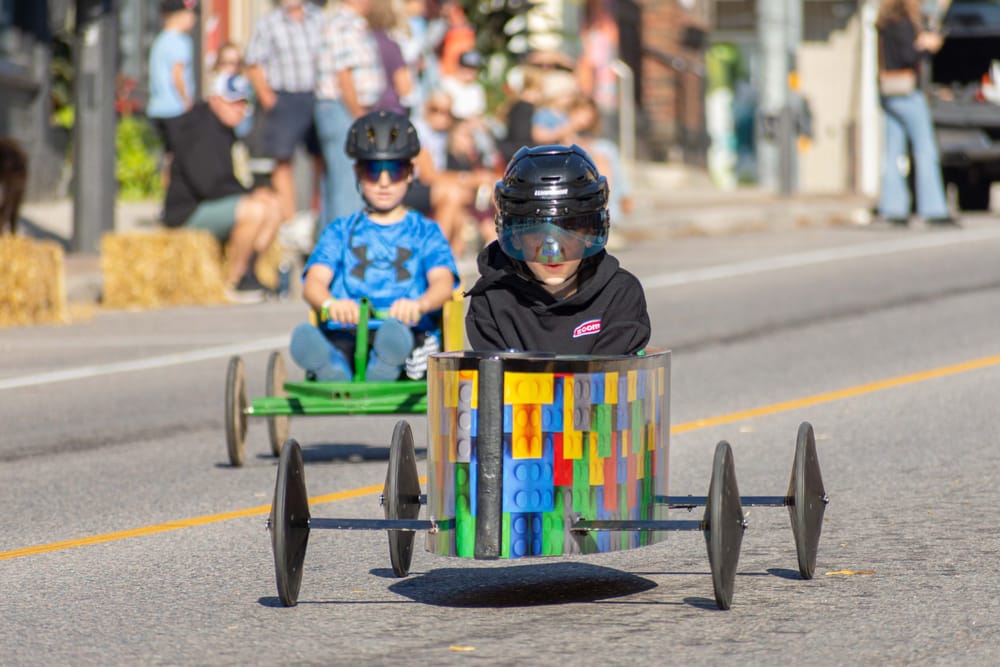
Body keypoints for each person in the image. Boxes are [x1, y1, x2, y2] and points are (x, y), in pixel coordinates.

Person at [289, 111, 459, 383]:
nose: (383, 182)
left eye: (394, 171)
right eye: (372, 171)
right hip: (350, 329)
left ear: (410, 174)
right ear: (357, 172)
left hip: (407, 328)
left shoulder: (426, 231)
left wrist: (419, 304)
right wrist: (331, 304)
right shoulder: (340, 230)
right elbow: (314, 282)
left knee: (408, 344)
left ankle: (387, 365)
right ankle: (333, 367)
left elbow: (443, 282)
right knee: (336, 343)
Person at [465, 144, 650, 354]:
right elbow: (495, 381)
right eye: (535, 231)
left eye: (567, 228)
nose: (551, 251)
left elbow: (607, 378)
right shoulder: (491, 299)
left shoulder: (619, 293)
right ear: (515, 237)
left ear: (590, 234)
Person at [162, 74, 283, 303]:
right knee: (254, 210)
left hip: (213, 202)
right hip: (188, 213)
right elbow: (208, 185)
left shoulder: (224, 130)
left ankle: (250, 270)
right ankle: (234, 281)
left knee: (273, 205)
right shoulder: (198, 129)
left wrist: (254, 193)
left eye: (243, 103)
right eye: (233, 102)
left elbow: (226, 181)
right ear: (216, 100)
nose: (240, 109)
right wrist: (248, 195)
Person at [244, 0, 325, 227]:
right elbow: (253, 62)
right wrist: (267, 96)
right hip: (284, 96)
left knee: (321, 157)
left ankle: (317, 213)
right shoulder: (269, 23)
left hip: (316, 95)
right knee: (282, 159)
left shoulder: (318, 18)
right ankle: (291, 221)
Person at [875, 0, 956, 226]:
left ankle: (892, 208)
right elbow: (908, 57)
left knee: (893, 153)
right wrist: (927, 46)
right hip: (908, 93)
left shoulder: (883, 23)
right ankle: (933, 209)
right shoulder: (903, 23)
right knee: (925, 150)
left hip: (888, 90)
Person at [315, 0, 385, 228]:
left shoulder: (351, 23)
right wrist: (359, 115)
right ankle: (345, 251)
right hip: (342, 108)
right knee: (347, 182)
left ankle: (330, 250)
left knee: (338, 180)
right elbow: (343, 75)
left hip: (345, 108)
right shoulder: (343, 24)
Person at [146, 0, 198, 189]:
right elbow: (178, 75)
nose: (193, 19)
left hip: (157, 108)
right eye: (191, 14)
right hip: (175, 108)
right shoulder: (180, 41)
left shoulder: (160, 41)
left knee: (169, 157)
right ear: (179, 15)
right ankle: (176, 199)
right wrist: (187, 101)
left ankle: (167, 199)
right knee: (181, 157)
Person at [367, 0, 412, 115]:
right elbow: (404, 88)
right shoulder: (390, 45)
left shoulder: (363, 40)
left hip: (366, 110)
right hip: (389, 113)